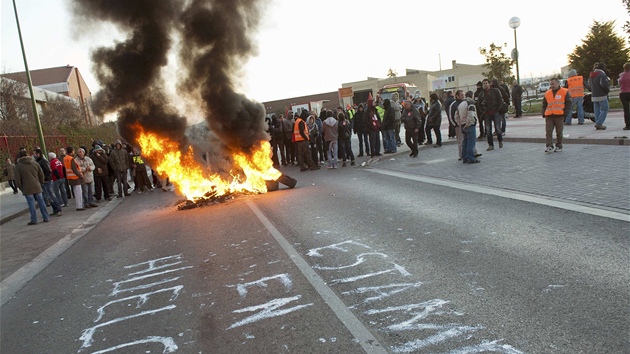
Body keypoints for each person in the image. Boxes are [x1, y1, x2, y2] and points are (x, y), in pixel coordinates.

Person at [14, 150, 49, 225]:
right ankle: (46, 217)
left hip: (27, 187)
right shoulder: (35, 163)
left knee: (31, 204)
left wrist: (21, 188)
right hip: (37, 185)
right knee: (41, 202)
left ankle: (34, 219)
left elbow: (17, 179)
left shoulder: (18, 166)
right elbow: (41, 174)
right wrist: (40, 182)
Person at [542, 78, 571, 152]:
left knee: (559, 132)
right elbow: (544, 104)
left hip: (559, 115)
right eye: (551, 84)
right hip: (549, 115)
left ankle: (559, 146)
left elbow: (568, 103)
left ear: (558, 83)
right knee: (548, 132)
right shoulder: (547, 93)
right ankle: (549, 146)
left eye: (553, 84)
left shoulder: (564, 92)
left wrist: (565, 113)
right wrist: (543, 113)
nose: (552, 86)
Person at [33, 148, 62, 216]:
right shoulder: (38, 161)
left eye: (34, 154)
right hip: (44, 181)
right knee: (49, 196)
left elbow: (48, 171)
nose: (33, 155)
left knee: (51, 195)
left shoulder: (43, 161)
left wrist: (45, 179)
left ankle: (58, 209)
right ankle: (55, 209)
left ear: (38, 154)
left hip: (47, 181)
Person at [478, 79, 504, 151]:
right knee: (488, 130)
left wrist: (498, 109)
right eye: (483, 84)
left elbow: (500, 101)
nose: (485, 85)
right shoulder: (481, 94)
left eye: (486, 83)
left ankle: (500, 140)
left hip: (495, 112)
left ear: (489, 84)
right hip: (486, 113)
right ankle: (490, 144)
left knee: (498, 128)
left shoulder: (495, 91)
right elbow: (479, 104)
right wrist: (483, 111)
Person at [587, 62, 610, 130]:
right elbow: (604, 85)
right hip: (601, 94)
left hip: (594, 94)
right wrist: (607, 91)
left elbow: (589, 85)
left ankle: (597, 122)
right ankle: (599, 123)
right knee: (605, 108)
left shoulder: (591, 75)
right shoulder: (602, 75)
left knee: (596, 110)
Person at [461, 91, 480, 164]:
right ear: (472, 96)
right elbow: (471, 115)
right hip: (469, 125)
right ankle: (470, 158)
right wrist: (468, 123)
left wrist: (461, 123)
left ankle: (464, 157)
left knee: (465, 142)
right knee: (471, 143)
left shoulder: (461, 104)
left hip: (462, 124)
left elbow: (456, 115)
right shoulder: (470, 103)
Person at [619, 63, 630, 130]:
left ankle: (628, 125)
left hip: (623, 93)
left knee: (626, 110)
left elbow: (620, 83)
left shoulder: (621, 75)